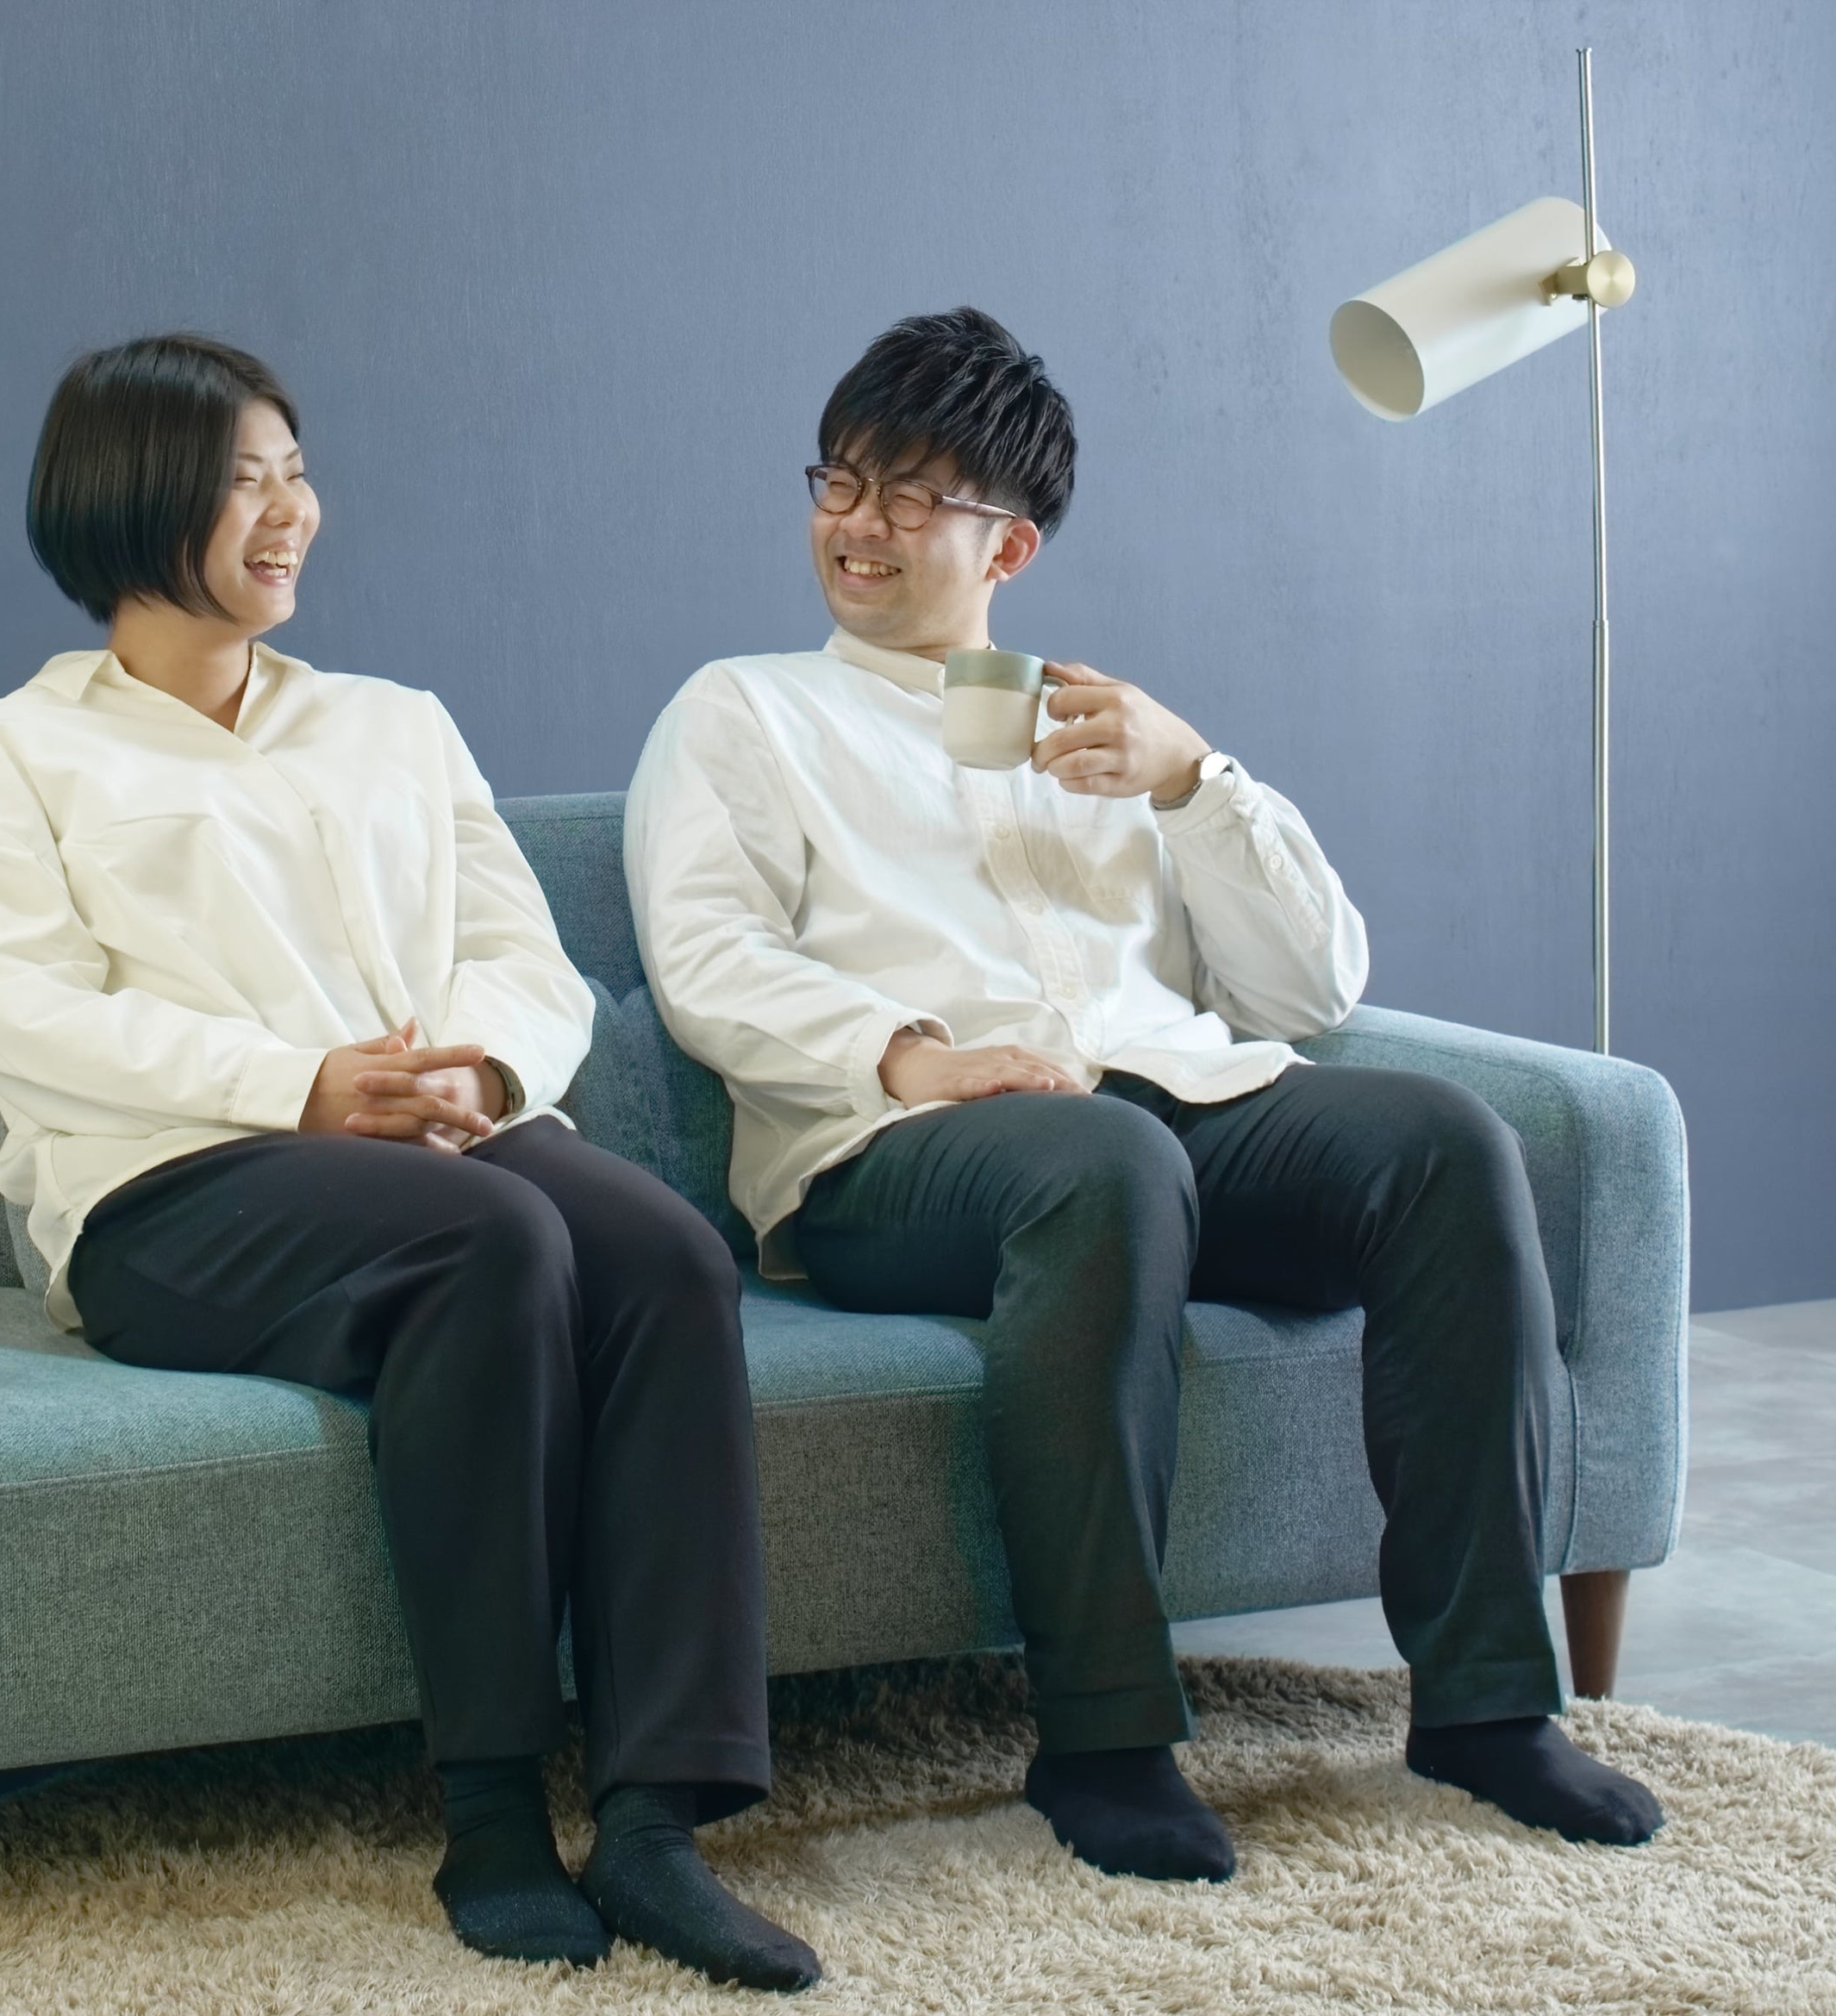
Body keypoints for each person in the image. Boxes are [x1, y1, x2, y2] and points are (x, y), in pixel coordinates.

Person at [624, 308, 1662, 1883]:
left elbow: (1308, 992)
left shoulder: (1105, 728)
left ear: (1010, 546)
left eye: (910, 496)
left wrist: (1196, 783)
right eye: (840, 480)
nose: (858, 523)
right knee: (1100, 1162)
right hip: (901, 1151)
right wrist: (912, 1053)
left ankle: (1489, 1710)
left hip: (1159, 1112)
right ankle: (1105, 1738)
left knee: (1445, 1144)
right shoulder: (746, 711)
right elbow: (705, 958)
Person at [0, 334, 815, 1988]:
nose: (292, 512)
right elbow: (35, 1021)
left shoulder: (395, 726)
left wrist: (484, 1067)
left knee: (669, 1257)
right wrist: (299, 1088)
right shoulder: (13, 756)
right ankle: (491, 1810)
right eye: (244, 481)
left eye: (297, 474)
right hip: (172, 1189)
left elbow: (523, 956)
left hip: (443, 1138)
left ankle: (659, 1824)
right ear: (133, 503)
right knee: (488, 1245)